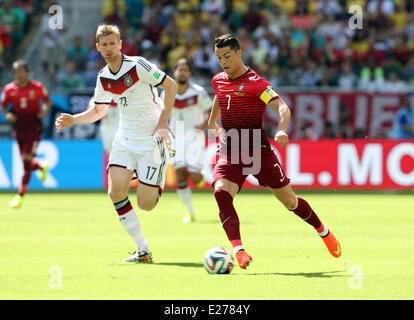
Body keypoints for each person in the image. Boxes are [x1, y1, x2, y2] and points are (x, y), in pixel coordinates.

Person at [208, 34, 341, 269]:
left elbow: (282, 106)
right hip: (230, 149)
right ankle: (239, 251)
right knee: (221, 192)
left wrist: (281, 130)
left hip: (258, 152)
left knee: (290, 201)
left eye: (227, 56)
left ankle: (323, 231)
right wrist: (212, 122)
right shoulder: (218, 79)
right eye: (219, 57)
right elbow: (220, 97)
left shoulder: (257, 83)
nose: (223, 61)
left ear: (240, 53)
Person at [55, 25, 178, 263]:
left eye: (113, 43)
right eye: (105, 45)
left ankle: (158, 166)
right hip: (124, 139)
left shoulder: (138, 65)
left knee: (146, 205)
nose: (109, 48)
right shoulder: (103, 78)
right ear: (98, 48)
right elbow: (99, 111)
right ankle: (143, 250)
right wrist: (74, 119)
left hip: (152, 140)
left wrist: (164, 120)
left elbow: (170, 85)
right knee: (115, 192)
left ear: (120, 44)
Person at [1, 60, 51, 208]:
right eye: (17, 72)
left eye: (22, 71)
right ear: (14, 73)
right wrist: (7, 115)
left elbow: (47, 102)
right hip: (19, 128)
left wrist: (44, 111)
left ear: (27, 73)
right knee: (26, 162)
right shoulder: (9, 89)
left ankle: (20, 196)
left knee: (26, 158)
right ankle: (40, 167)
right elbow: (3, 105)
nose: (20, 74)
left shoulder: (37, 87)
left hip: (34, 128)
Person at [166, 58, 211, 223]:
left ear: (189, 73)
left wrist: (204, 124)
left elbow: (210, 108)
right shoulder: (167, 92)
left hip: (194, 137)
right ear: (175, 72)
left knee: (194, 178)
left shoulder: (197, 92)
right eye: (180, 69)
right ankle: (190, 212)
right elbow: (159, 112)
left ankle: (200, 177)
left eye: (185, 70)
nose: (182, 72)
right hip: (173, 139)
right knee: (180, 174)